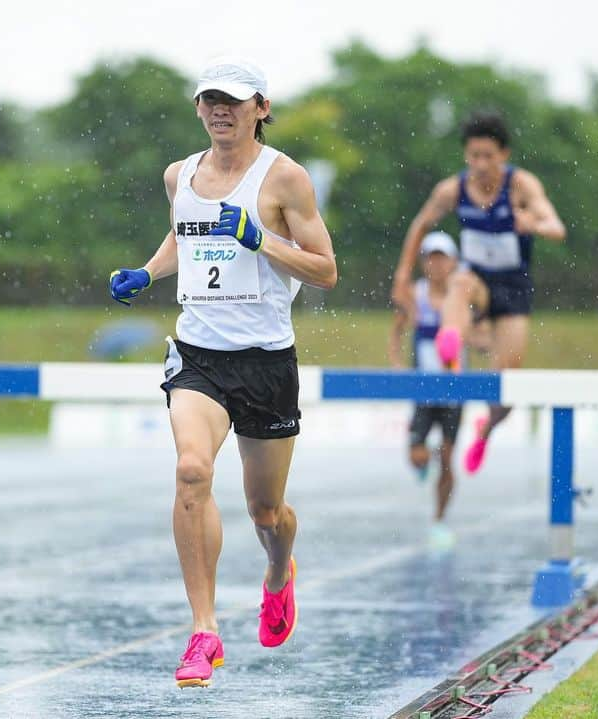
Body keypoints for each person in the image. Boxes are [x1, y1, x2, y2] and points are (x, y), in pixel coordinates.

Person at [108, 57, 337, 689]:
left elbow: (325, 269)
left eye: (234, 101)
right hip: (198, 354)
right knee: (191, 471)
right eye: (211, 100)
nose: (221, 111)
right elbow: (184, 237)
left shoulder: (285, 179)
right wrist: (147, 273)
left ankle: (279, 571)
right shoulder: (179, 174)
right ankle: (203, 632)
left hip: (264, 360)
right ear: (199, 108)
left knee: (267, 514)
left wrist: (260, 238)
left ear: (261, 107)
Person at [391, 111, 565, 476]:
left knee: (504, 390)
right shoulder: (453, 190)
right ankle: (451, 342)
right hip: (477, 282)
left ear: (504, 154)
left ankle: (485, 431)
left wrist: (533, 223)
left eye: (488, 156)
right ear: (465, 155)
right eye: (473, 156)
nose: (480, 164)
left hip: (513, 289)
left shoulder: (521, 186)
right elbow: (420, 225)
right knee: (460, 282)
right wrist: (404, 275)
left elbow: (556, 227)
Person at [388, 231, 469, 547]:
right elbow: (397, 331)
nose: (436, 265)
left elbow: (475, 333)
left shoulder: (461, 297)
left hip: (454, 392)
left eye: (442, 258)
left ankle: (439, 520)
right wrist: (396, 364)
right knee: (416, 455)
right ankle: (426, 458)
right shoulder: (416, 296)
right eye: (430, 258)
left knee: (448, 459)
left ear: (453, 262)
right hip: (423, 390)